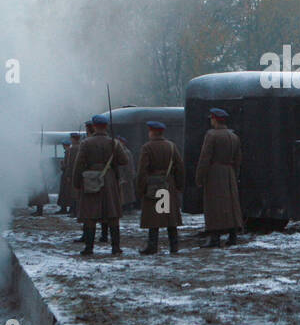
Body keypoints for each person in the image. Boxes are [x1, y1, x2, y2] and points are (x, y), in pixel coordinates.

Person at [71, 113, 127, 256]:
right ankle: (115, 247)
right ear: (106, 126)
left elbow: (79, 165)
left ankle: (89, 247)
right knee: (113, 214)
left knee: (90, 214)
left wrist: (77, 183)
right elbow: (123, 160)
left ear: (94, 126)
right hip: (109, 180)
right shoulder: (113, 142)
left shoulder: (86, 143)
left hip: (91, 180)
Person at [196, 107, 244, 248]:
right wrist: (234, 174)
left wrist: (199, 177)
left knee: (214, 206)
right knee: (231, 206)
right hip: (229, 173)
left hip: (214, 174)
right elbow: (238, 159)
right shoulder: (234, 137)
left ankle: (215, 238)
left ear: (215, 119)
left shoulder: (211, 136)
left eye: (211, 118)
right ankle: (233, 236)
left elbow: (205, 158)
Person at [136, 120, 186, 255]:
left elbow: (142, 170)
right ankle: (174, 246)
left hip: (153, 185)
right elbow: (180, 168)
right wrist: (179, 185)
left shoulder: (147, 147)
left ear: (152, 132)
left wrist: (141, 188)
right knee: (170, 216)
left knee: (154, 218)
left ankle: (152, 246)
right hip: (168, 184)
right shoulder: (171, 146)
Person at [58, 131, 81, 215]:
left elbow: (70, 164)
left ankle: (73, 210)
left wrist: (67, 173)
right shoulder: (80, 147)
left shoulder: (72, 150)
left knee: (71, 193)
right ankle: (73, 210)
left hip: (71, 174)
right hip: (77, 173)